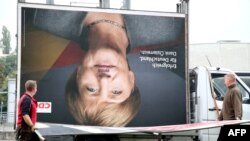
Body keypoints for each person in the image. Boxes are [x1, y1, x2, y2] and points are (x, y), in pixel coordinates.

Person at [65, 12, 141, 127]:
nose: (104, 80)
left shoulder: (46, 17)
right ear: (131, 80)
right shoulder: (166, 27)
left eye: (91, 89)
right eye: (116, 92)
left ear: (78, 74)